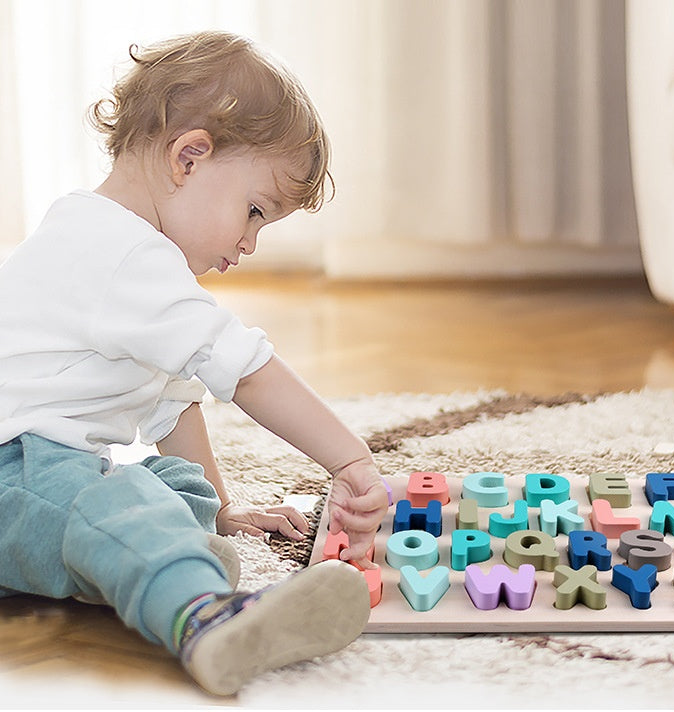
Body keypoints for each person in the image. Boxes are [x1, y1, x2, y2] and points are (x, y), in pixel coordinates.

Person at [0, 30, 389, 697]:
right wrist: (349, 458)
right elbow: (245, 370)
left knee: (170, 487)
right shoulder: (120, 254)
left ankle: (171, 559)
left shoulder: (115, 250)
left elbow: (172, 399)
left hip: (36, 480)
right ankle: (204, 620)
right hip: (15, 473)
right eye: (255, 211)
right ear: (189, 157)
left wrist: (221, 511)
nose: (251, 242)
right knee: (118, 500)